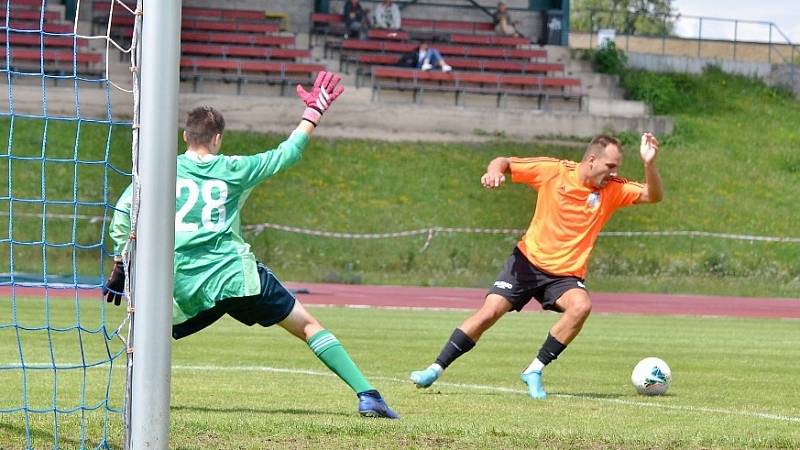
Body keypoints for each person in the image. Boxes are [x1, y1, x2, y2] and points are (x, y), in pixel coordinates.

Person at [103, 72, 399, 419]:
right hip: (234, 277)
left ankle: (137, 401)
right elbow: (286, 153)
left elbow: (124, 214)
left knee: (151, 331)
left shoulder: (159, 169)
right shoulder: (235, 168)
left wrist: (121, 263)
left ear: (185, 136)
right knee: (307, 326)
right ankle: (368, 395)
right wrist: (313, 114)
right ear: (217, 139)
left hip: (183, 284)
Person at [409, 133, 663, 399]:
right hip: (527, 262)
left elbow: (652, 195)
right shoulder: (554, 171)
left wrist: (649, 164)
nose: (615, 172)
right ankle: (434, 369)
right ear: (591, 160)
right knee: (490, 312)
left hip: (565, 275)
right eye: (611, 166)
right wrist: (493, 172)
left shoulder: (612, 188)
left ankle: (534, 370)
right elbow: (504, 161)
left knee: (581, 306)